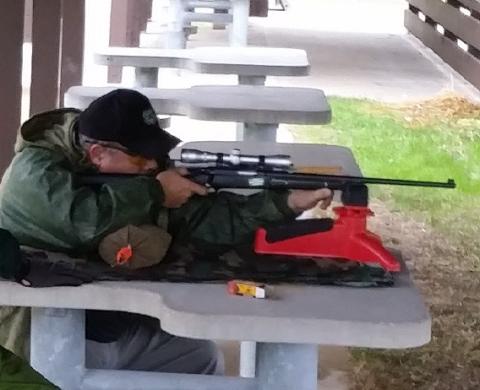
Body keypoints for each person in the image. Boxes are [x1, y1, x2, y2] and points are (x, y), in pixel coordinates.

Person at [0, 89, 332, 374]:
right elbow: (84, 223)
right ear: (98, 153)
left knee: (198, 355)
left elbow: (204, 219)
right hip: (31, 336)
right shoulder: (32, 175)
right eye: (141, 157)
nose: (152, 165)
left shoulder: (133, 179)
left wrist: (286, 203)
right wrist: (156, 193)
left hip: (99, 320)